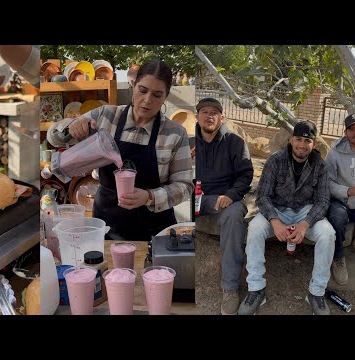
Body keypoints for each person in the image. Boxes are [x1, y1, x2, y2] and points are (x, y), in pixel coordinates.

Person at [67, 59, 194, 241]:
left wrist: (150, 196)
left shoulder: (175, 133)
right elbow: (55, 137)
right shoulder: (105, 116)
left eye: (157, 95)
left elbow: (185, 186)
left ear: (166, 96)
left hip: (154, 230)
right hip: (107, 224)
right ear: (133, 86)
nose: (147, 100)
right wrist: (72, 125)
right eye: (142, 90)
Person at [238, 121, 335, 315]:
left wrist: (305, 223)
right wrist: (275, 221)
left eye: (307, 140)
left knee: (328, 234)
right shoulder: (275, 160)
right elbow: (262, 196)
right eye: (298, 139)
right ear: (291, 140)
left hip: (305, 212)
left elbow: (323, 201)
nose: (302, 144)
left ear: (314, 144)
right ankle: (256, 289)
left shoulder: (321, 166)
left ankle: (316, 293)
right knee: (255, 229)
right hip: (277, 210)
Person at [194, 97, 253, 315]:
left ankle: (230, 288)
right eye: (204, 111)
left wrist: (231, 194)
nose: (209, 116)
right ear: (197, 115)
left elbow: (246, 174)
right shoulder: (188, 141)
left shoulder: (235, 142)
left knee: (235, 212)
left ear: (222, 117)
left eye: (214, 112)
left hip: (221, 199)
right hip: (193, 197)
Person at [326, 113, 355, 285]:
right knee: (337, 219)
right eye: (351, 129)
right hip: (342, 203)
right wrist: (348, 191)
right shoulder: (335, 154)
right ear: (345, 133)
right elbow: (327, 184)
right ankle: (338, 258)